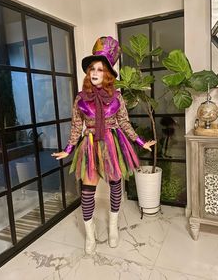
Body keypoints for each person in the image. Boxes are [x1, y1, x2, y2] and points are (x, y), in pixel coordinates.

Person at [52, 36, 156, 255]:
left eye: (100, 69)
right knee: (88, 191)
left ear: (107, 74)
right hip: (90, 144)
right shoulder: (80, 98)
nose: (95, 73)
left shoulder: (117, 97)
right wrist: (68, 149)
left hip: (111, 143)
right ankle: (89, 236)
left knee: (115, 185)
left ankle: (112, 227)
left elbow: (124, 123)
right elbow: (76, 126)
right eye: (92, 69)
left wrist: (140, 141)